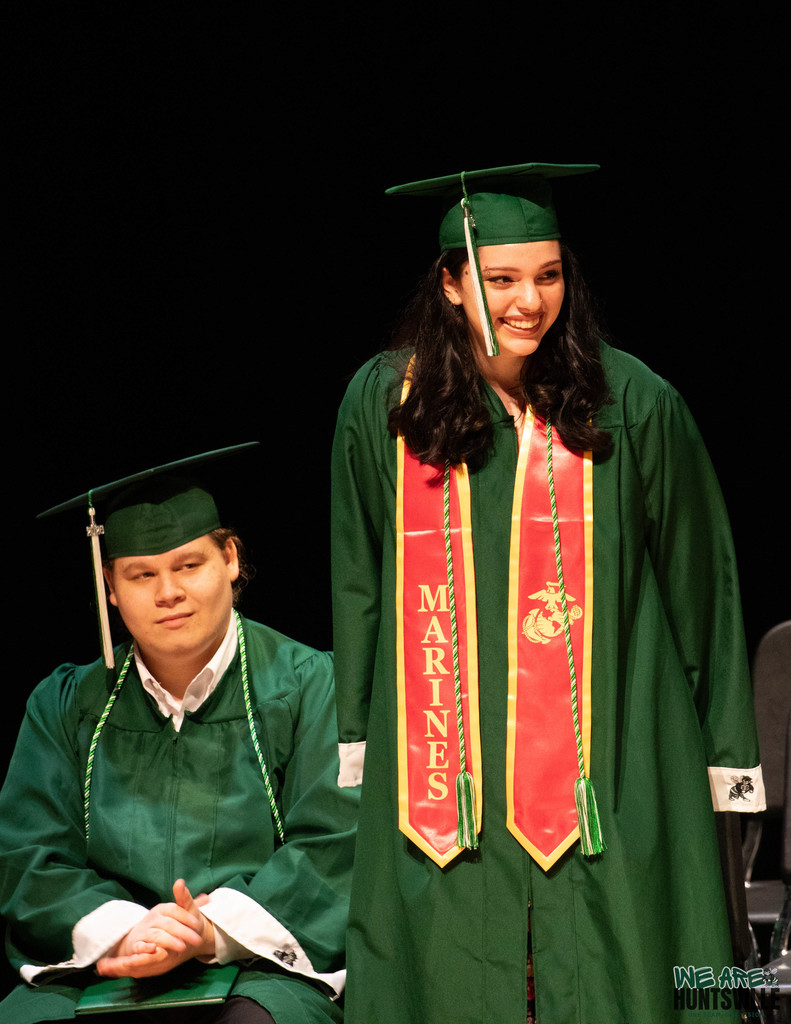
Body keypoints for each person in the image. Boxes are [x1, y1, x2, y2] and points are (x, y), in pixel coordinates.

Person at [330, 164, 766, 1023]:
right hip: (443, 760)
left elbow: (701, 585)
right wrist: (360, 728)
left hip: (615, 751)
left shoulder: (631, 401)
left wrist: (722, 748)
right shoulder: (385, 404)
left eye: (548, 274)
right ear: (450, 283)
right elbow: (359, 575)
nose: (529, 301)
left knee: (636, 962)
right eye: (500, 279)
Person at [0, 446, 359, 1023]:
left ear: (230, 558)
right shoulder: (64, 704)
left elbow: (334, 843)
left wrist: (206, 931)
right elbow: (28, 854)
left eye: (189, 565)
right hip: (105, 961)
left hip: (259, 965)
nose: (167, 592)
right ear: (110, 586)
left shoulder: (311, 686)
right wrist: (129, 931)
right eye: (142, 574)